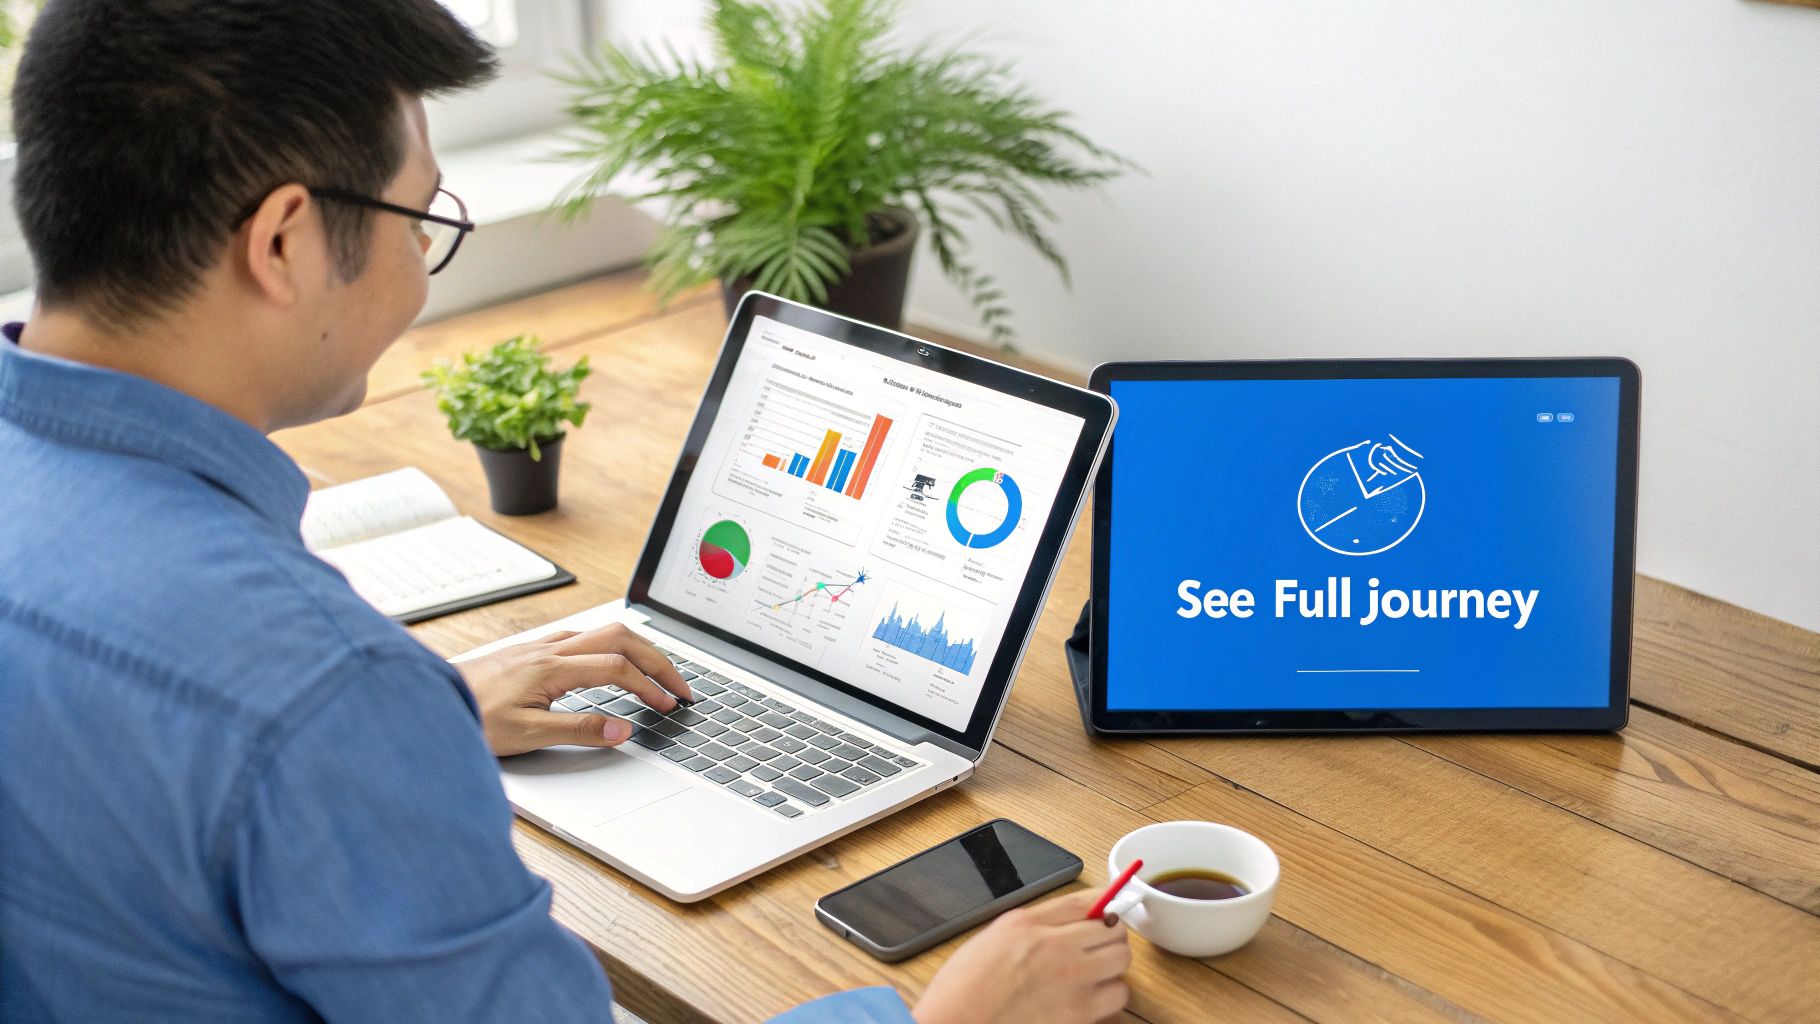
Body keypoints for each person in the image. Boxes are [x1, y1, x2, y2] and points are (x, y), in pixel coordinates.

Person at [0, 2, 1133, 1022]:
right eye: (418, 217)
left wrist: (426, 718)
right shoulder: (322, 694)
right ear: (286, 241)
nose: (422, 261)